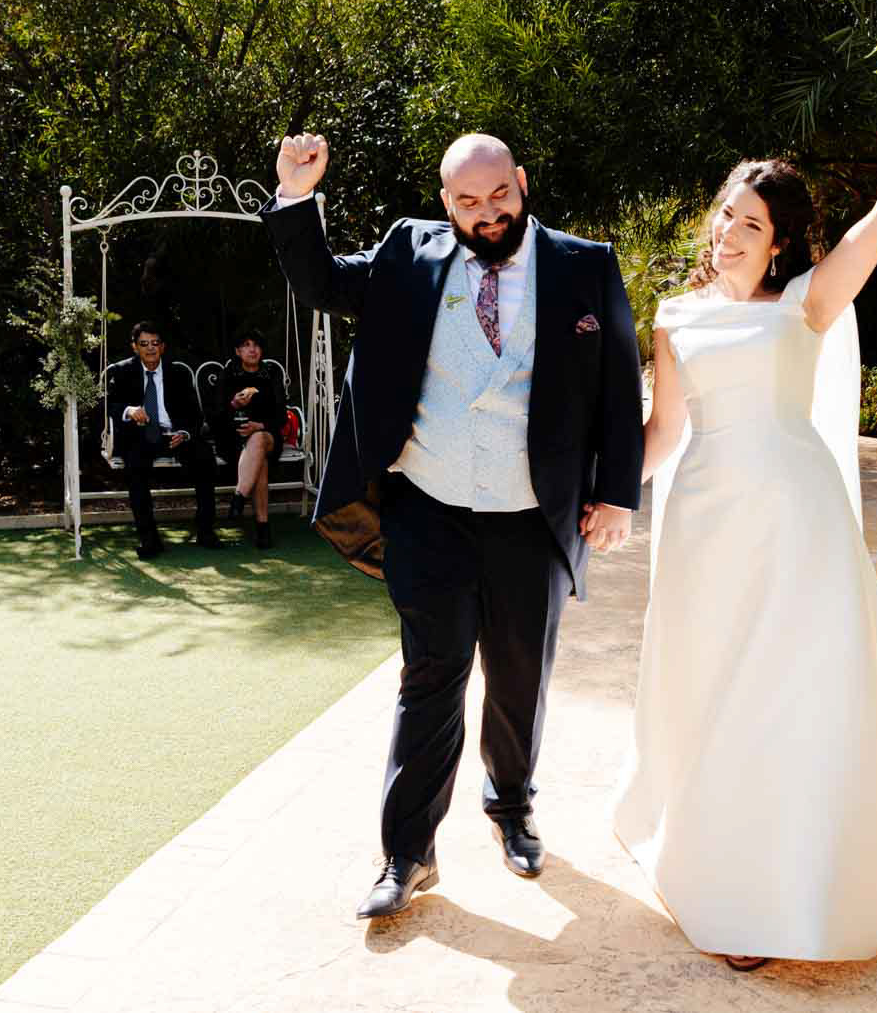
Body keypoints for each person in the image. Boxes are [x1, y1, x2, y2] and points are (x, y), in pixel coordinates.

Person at [611, 68, 877, 970]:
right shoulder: (673, 317)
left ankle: (781, 889)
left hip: (798, 525)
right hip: (705, 532)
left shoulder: (805, 305)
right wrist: (591, 488)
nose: (730, 231)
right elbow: (665, 432)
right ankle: (723, 858)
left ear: (781, 243)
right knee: (717, 689)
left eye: (752, 222)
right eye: (724, 214)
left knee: (790, 692)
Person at [261, 130, 643, 920]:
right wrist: (298, 198)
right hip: (428, 508)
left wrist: (617, 493)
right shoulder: (410, 253)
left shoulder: (584, 264)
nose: (487, 213)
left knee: (517, 678)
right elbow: (324, 282)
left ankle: (510, 808)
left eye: (499, 194)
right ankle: (407, 854)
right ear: (445, 203)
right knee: (430, 678)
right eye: (468, 201)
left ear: (522, 183)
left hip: (530, 518)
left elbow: (616, 388)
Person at [105, 320, 220, 559]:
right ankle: (149, 539)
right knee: (135, 466)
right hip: (142, 435)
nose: (150, 349)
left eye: (155, 343)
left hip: (174, 435)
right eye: (144, 344)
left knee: (204, 457)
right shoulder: (123, 371)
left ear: (163, 347)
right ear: (135, 347)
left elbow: (195, 413)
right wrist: (129, 410)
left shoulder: (177, 372)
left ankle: (205, 530)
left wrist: (186, 432)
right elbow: (109, 406)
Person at [213, 329, 291, 550]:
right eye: (246, 345)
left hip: (267, 435)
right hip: (233, 438)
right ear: (238, 351)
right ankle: (262, 527)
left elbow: (281, 416)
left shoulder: (271, 374)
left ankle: (240, 496)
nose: (252, 349)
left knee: (257, 440)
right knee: (260, 461)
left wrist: (261, 426)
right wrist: (234, 405)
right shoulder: (229, 375)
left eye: (256, 345)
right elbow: (216, 414)